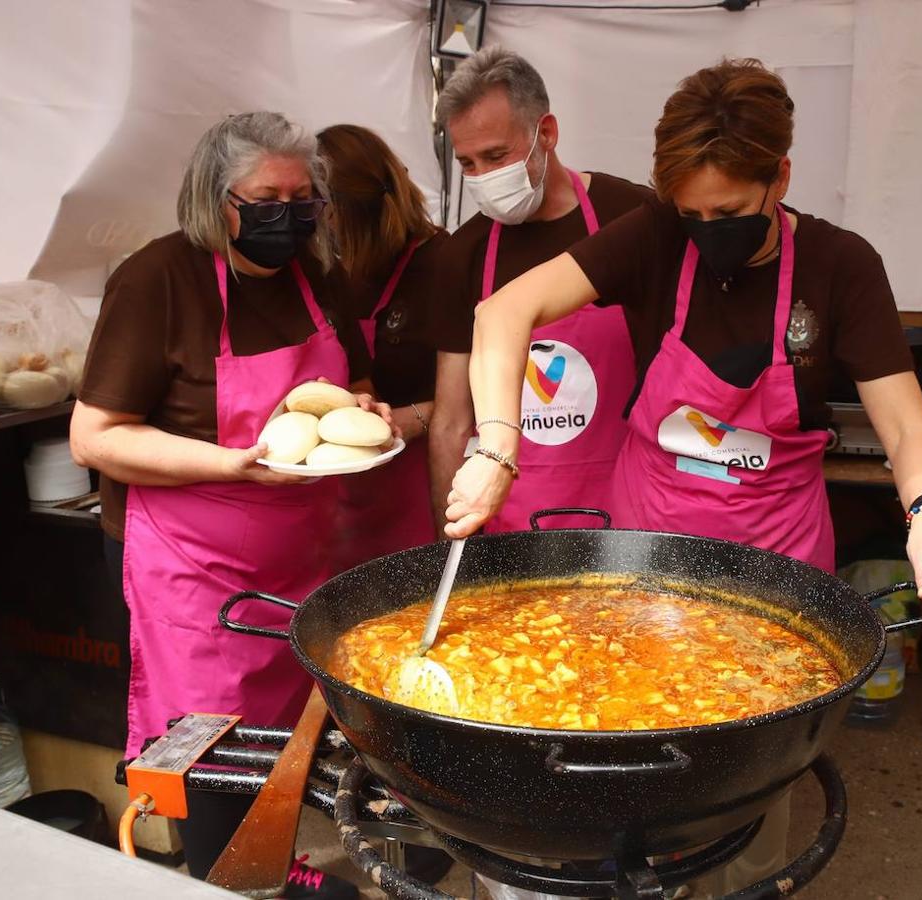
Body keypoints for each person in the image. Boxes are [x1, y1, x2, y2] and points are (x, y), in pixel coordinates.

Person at [441, 58, 922, 894]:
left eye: (727, 213)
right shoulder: (657, 234)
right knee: (626, 757)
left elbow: (905, 418)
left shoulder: (841, 265)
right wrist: (497, 444)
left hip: (771, 568)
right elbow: (501, 312)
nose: (705, 230)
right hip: (643, 555)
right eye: (691, 212)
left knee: (748, 791)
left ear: (781, 178)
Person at [71, 112, 385, 878]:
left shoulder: (316, 272)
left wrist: (366, 413)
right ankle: (224, 877)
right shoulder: (158, 281)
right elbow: (97, 435)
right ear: (217, 203)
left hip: (299, 556)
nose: (289, 216)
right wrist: (230, 464)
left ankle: (280, 865)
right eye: (266, 200)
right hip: (195, 567)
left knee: (291, 737)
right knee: (214, 744)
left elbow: (357, 379)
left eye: (302, 197)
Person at [427, 47, 651, 533]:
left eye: (496, 156)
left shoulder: (631, 217)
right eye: (467, 164)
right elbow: (449, 422)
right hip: (511, 525)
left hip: (627, 519)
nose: (483, 178)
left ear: (545, 133)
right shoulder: (463, 253)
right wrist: (448, 543)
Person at [316, 124, 444, 572]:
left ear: (358, 212)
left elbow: (479, 391)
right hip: (344, 486)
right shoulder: (329, 274)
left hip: (421, 475)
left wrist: (416, 418)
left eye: (324, 214)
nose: (318, 229)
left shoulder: (444, 265)